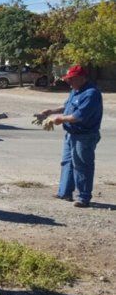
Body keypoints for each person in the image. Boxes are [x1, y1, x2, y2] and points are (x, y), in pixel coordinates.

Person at [38, 65, 103, 208]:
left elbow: (77, 116)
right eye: (68, 79)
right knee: (67, 162)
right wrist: (51, 111)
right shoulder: (75, 90)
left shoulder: (91, 94)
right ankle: (65, 192)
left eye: (71, 79)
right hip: (71, 133)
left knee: (82, 165)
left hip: (84, 135)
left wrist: (60, 119)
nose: (69, 82)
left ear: (81, 78)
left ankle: (83, 197)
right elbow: (67, 107)